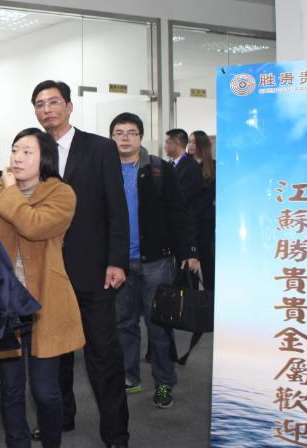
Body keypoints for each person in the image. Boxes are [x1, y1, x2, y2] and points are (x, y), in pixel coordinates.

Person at [32, 80, 130, 448]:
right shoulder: (33, 149)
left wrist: (117, 260)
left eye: (54, 102)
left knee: (103, 354)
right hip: (49, 270)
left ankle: (116, 433)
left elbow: (116, 208)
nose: (47, 109)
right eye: (40, 104)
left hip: (94, 269)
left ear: (69, 106)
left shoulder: (100, 148)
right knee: (55, 353)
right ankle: (61, 418)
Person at [0, 128, 84, 448]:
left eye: (27, 152)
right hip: (6, 305)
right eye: (15, 150)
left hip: (46, 303)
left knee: (45, 391)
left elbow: (33, 226)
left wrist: (10, 191)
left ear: (45, 159)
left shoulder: (61, 194)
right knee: (11, 390)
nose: (17, 157)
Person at [110, 112, 199, 408]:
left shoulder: (159, 169)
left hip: (156, 262)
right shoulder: (105, 170)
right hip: (120, 263)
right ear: (111, 138)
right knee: (124, 324)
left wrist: (188, 251)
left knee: (159, 325)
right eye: (119, 133)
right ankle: (129, 377)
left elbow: (179, 211)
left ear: (141, 137)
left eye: (131, 132)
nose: (125, 138)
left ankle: (163, 382)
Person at [188, 130, 216, 292]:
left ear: (202, 145)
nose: (190, 145)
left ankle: (210, 293)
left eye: (194, 142)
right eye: (189, 141)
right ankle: (191, 294)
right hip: (189, 219)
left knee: (205, 255)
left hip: (206, 218)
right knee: (189, 257)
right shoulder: (185, 164)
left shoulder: (214, 165)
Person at [164, 128, 202, 223]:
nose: (165, 146)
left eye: (167, 142)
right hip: (170, 219)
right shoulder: (168, 165)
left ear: (176, 143)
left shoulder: (192, 166)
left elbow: (186, 196)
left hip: (185, 221)